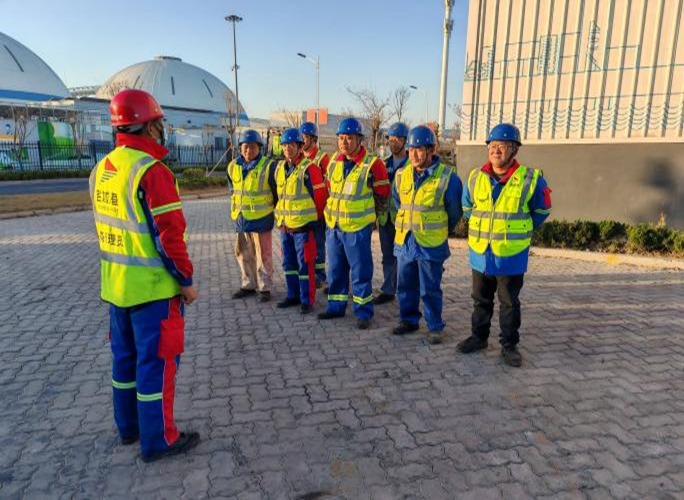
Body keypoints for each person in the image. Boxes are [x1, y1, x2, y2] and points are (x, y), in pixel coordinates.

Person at [89, 89, 199, 462]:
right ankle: (159, 440)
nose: (161, 130)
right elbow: (169, 236)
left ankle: (129, 428)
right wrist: (185, 281)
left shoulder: (101, 170)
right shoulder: (152, 171)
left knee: (124, 363)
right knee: (157, 366)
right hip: (153, 292)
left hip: (117, 288)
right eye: (159, 123)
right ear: (150, 126)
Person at [457, 123, 552, 367]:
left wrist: (523, 229)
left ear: (515, 149)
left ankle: (509, 346)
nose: (495, 150)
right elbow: (467, 207)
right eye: (492, 145)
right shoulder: (476, 177)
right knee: (480, 300)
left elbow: (542, 210)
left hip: (511, 254)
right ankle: (479, 338)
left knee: (509, 303)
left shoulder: (530, 179)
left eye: (502, 145)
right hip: (481, 253)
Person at [391, 125, 463, 344]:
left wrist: (439, 229)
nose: (413, 154)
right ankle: (408, 320)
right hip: (406, 241)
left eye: (419, 149)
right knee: (405, 284)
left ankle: (434, 326)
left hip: (431, 243)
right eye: (411, 149)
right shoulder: (401, 175)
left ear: (432, 150)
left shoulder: (448, 178)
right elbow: (397, 204)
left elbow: (454, 211)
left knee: (429, 288)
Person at [318, 117, 390, 329]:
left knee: (361, 272)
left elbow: (382, 193)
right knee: (335, 270)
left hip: (357, 229)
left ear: (360, 139)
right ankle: (336, 307)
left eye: (349, 138)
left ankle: (363, 312)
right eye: (341, 138)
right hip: (335, 227)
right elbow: (330, 189)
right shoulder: (334, 162)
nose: (344, 142)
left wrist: (374, 220)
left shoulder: (373, 164)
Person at [274, 128, 328, 313]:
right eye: (284, 145)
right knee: (288, 264)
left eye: (291, 145)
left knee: (306, 264)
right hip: (285, 227)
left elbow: (320, 198)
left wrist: (315, 221)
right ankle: (293, 295)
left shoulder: (310, 169)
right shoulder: (280, 168)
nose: (287, 148)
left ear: (299, 146)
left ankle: (307, 300)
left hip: (303, 228)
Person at [227, 129, 277, 302]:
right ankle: (248, 284)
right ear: (240, 147)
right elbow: (232, 190)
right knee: (243, 253)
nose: (249, 150)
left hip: (262, 218)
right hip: (241, 218)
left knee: (264, 255)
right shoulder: (232, 166)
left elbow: (276, 192)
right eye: (245, 147)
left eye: (253, 147)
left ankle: (265, 288)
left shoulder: (269, 166)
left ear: (259, 148)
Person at [374, 122, 410, 305]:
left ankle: (403, 290)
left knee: (403, 257)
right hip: (385, 218)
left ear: (405, 141)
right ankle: (388, 290)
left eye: (397, 139)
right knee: (387, 255)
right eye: (391, 139)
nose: (393, 143)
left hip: (404, 221)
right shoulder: (383, 163)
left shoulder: (412, 164)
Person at [300, 121, 330, 289]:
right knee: (307, 243)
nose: (302, 140)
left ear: (313, 139)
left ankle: (320, 274)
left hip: (318, 209)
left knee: (318, 243)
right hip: (303, 211)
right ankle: (309, 271)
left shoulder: (322, 159)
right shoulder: (299, 158)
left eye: (305, 137)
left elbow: (328, 184)